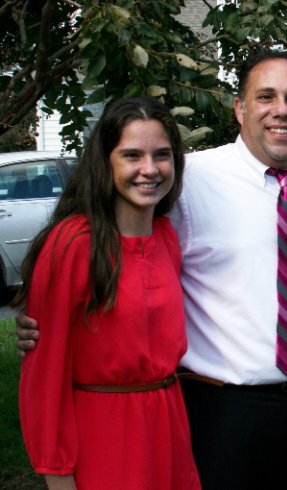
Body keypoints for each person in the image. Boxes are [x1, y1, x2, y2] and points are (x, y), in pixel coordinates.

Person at [17, 51, 287, 489]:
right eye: (266, 96)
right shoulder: (191, 181)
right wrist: (42, 323)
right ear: (239, 108)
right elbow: (112, 252)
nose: (281, 110)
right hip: (223, 410)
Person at [14, 96, 200, 489]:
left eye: (162, 155)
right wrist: (58, 475)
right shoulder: (74, 243)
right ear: (106, 162)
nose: (149, 169)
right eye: (132, 155)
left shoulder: (166, 236)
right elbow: (44, 376)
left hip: (168, 427)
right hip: (104, 435)